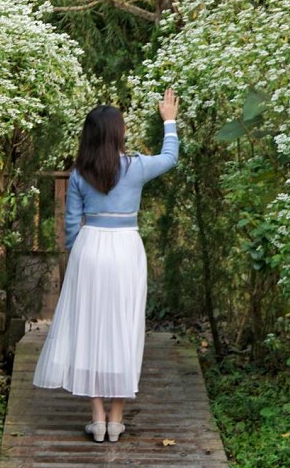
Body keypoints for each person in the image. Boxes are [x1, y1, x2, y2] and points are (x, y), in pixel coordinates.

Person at [32, 88, 180, 443]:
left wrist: (76, 258)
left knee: (91, 329)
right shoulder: (136, 167)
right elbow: (170, 157)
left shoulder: (81, 173)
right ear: (118, 133)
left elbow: (71, 224)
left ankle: (96, 417)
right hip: (126, 249)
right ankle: (116, 418)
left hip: (90, 248)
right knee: (124, 329)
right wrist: (169, 120)